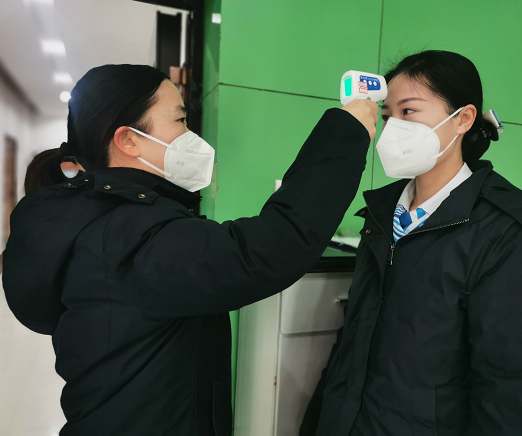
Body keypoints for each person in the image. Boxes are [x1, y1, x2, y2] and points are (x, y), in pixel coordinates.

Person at [2, 64, 379, 435]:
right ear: (128, 140)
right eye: (180, 120)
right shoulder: (129, 232)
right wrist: (347, 131)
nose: (190, 134)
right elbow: (267, 249)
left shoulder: (96, 221)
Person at [300, 50, 522, 436]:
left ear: (463, 119)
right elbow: (351, 344)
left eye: (409, 111)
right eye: (387, 115)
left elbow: (518, 387)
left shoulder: (508, 231)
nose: (393, 128)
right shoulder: (380, 215)